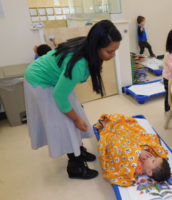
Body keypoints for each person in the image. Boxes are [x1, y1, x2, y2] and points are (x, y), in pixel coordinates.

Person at [24, 20, 122, 180]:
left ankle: (78, 149)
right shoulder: (78, 65)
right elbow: (59, 96)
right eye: (110, 51)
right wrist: (76, 120)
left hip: (56, 79)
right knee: (65, 122)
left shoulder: (89, 46)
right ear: (96, 46)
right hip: (39, 80)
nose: (113, 55)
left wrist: (76, 117)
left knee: (74, 111)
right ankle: (75, 166)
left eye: (115, 51)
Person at [96, 114, 171, 186]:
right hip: (130, 142)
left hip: (121, 145)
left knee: (116, 137)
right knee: (129, 131)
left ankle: (112, 127)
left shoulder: (136, 169)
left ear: (149, 172)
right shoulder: (146, 163)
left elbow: (125, 154)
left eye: (153, 161)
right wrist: (143, 149)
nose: (152, 157)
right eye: (155, 158)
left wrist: (138, 152)